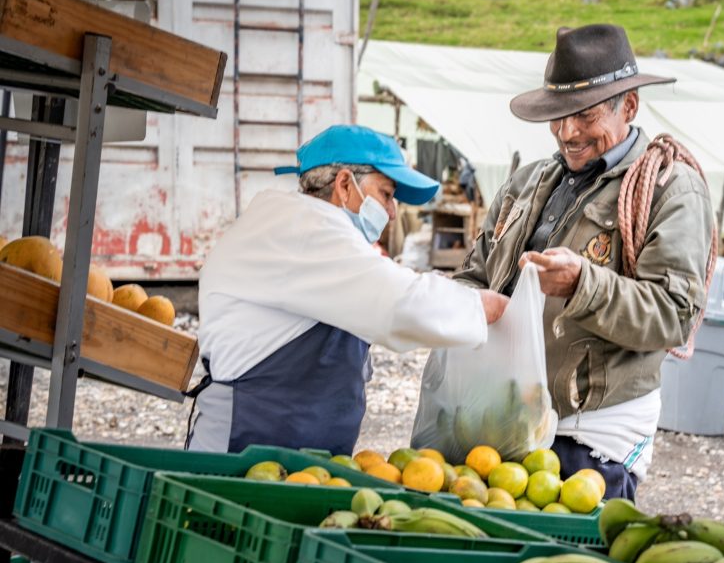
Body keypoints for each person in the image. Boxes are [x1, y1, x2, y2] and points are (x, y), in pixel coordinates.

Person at [452, 24, 716, 500]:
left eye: (585, 115)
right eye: (558, 116)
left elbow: (675, 314)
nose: (567, 132)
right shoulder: (527, 182)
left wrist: (581, 285)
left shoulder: (670, 189)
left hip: (591, 434)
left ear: (629, 106)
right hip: (501, 416)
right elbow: (477, 272)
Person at [188, 125, 509, 454]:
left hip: (289, 461)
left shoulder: (305, 229)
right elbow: (398, 304)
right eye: (386, 194)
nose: (393, 213)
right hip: (241, 452)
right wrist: (486, 307)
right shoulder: (304, 230)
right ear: (344, 184)